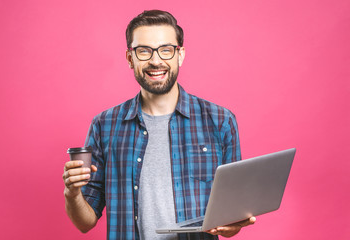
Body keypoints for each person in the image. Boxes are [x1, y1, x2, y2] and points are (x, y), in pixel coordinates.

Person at [63, 10, 256, 240]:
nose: (156, 60)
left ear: (180, 55)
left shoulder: (220, 121)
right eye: (144, 51)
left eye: (165, 50)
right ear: (130, 58)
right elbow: (85, 222)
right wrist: (72, 194)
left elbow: (232, 215)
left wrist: (234, 224)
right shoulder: (104, 126)